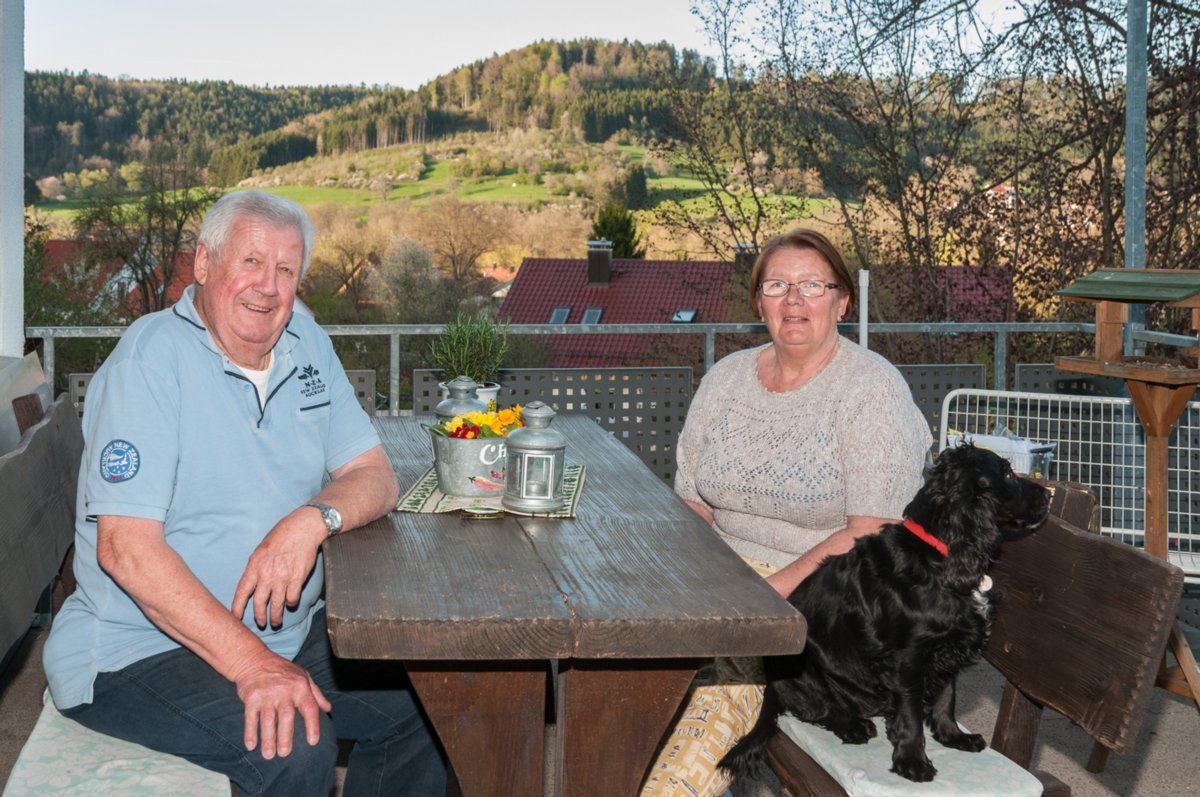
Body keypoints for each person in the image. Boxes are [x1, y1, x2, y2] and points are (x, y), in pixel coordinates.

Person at [43, 190, 445, 796]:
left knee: (434, 709)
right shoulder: (149, 363)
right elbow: (124, 550)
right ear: (203, 264)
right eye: (251, 262)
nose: (268, 286)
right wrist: (255, 666)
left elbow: (376, 475)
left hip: (284, 633)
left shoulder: (307, 346)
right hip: (137, 648)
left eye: (286, 270)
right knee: (295, 746)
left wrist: (310, 521)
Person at [641, 228, 931, 797]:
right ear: (759, 302)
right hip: (726, 580)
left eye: (812, 286)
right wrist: (700, 579)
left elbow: (873, 532)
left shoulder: (872, 390)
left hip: (827, 604)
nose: (793, 300)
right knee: (622, 664)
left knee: (705, 710)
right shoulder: (726, 378)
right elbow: (693, 500)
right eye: (777, 285)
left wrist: (765, 593)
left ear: (842, 301)